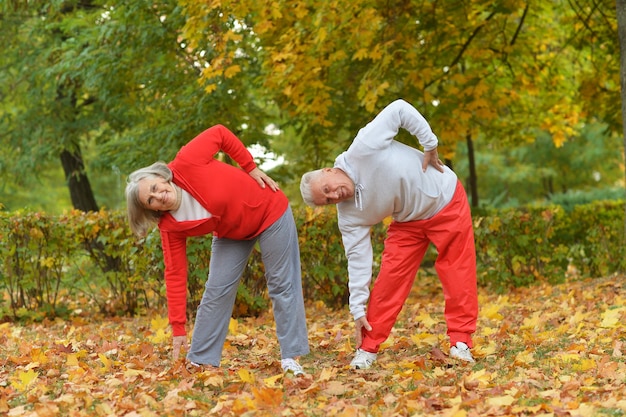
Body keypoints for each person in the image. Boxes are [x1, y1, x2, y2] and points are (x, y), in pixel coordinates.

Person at [300, 99, 478, 369]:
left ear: (328, 171)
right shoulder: (349, 216)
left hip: (445, 199)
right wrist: (357, 308)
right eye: (328, 201)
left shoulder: (363, 147)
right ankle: (368, 348)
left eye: (328, 189)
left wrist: (429, 144)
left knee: (457, 271)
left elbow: (399, 109)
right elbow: (358, 259)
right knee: (389, 280)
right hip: (407, 222)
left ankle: (461, 342)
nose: (335, 196)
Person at [126, 124, 309, 375]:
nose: (159, 196)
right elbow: (175, 274)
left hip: (269, 210)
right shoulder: (170, 226)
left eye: (155, 188)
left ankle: (291, 355)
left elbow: (220, 133)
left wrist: (250, 166)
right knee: (216, 290)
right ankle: (201, 360)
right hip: (232, 232)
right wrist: (178, 327)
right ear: (151, 209)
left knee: (281, 283)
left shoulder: (187, 161)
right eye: (151, 200)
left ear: (160, 176)